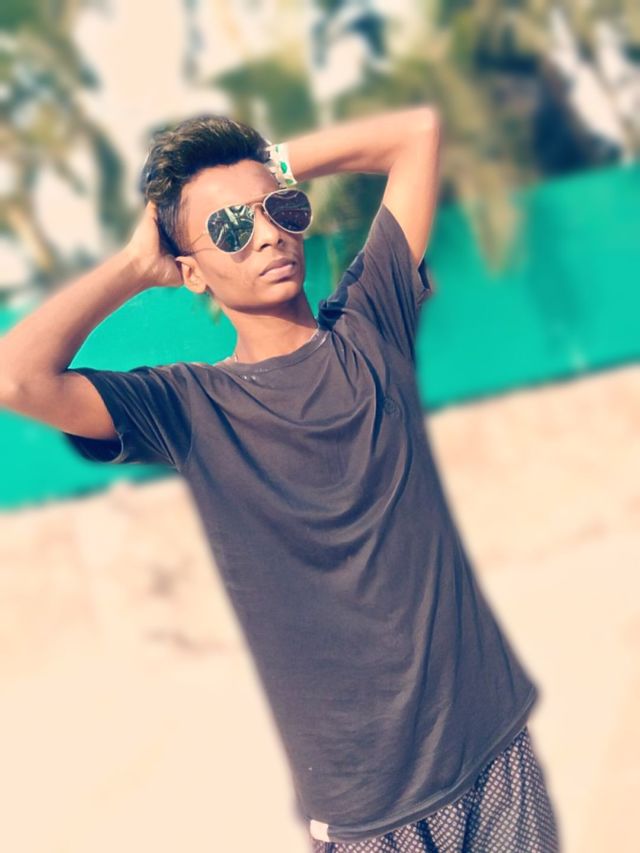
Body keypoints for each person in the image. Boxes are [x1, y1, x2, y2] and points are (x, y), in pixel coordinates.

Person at [0, 109, 561, 852]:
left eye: (280, 210)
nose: (266, 234)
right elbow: (15, 378)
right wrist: (136, 263)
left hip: (490, 742)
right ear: (190, 271)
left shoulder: (372, 323)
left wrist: (272, 166)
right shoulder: (189, 407)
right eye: (230, 228)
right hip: (365, 804)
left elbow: (419, 132)